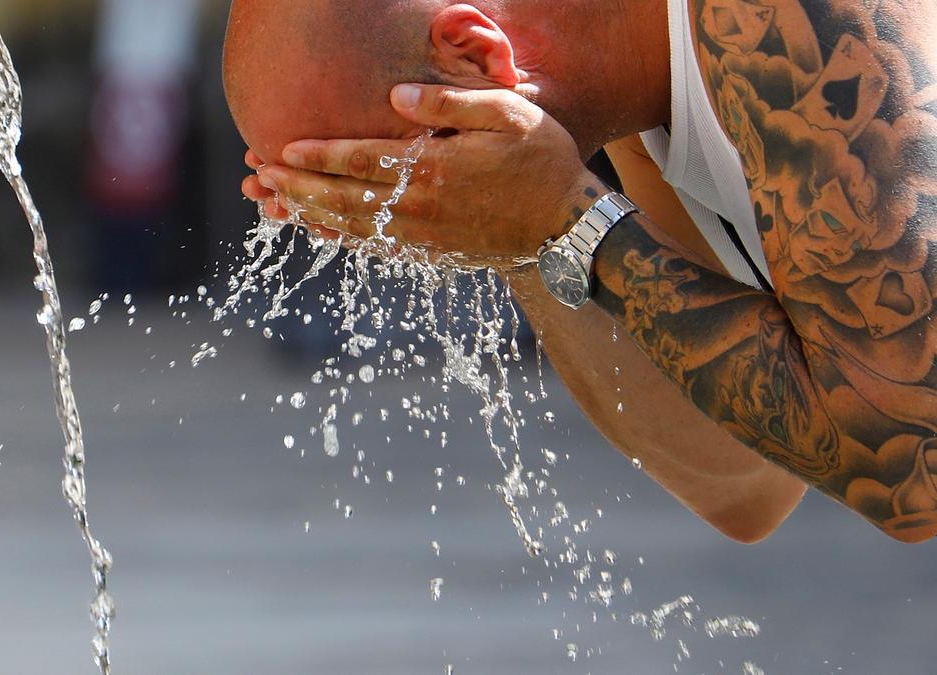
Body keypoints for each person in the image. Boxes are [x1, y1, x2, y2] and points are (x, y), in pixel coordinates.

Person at [222, 0, 937, 543]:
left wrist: (569, 219)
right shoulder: (636, 87)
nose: (385, 231)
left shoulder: (778, 25)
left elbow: (912, 474)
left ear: (472, 55)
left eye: (377, 180)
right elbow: (744, 482)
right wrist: (518, 231)